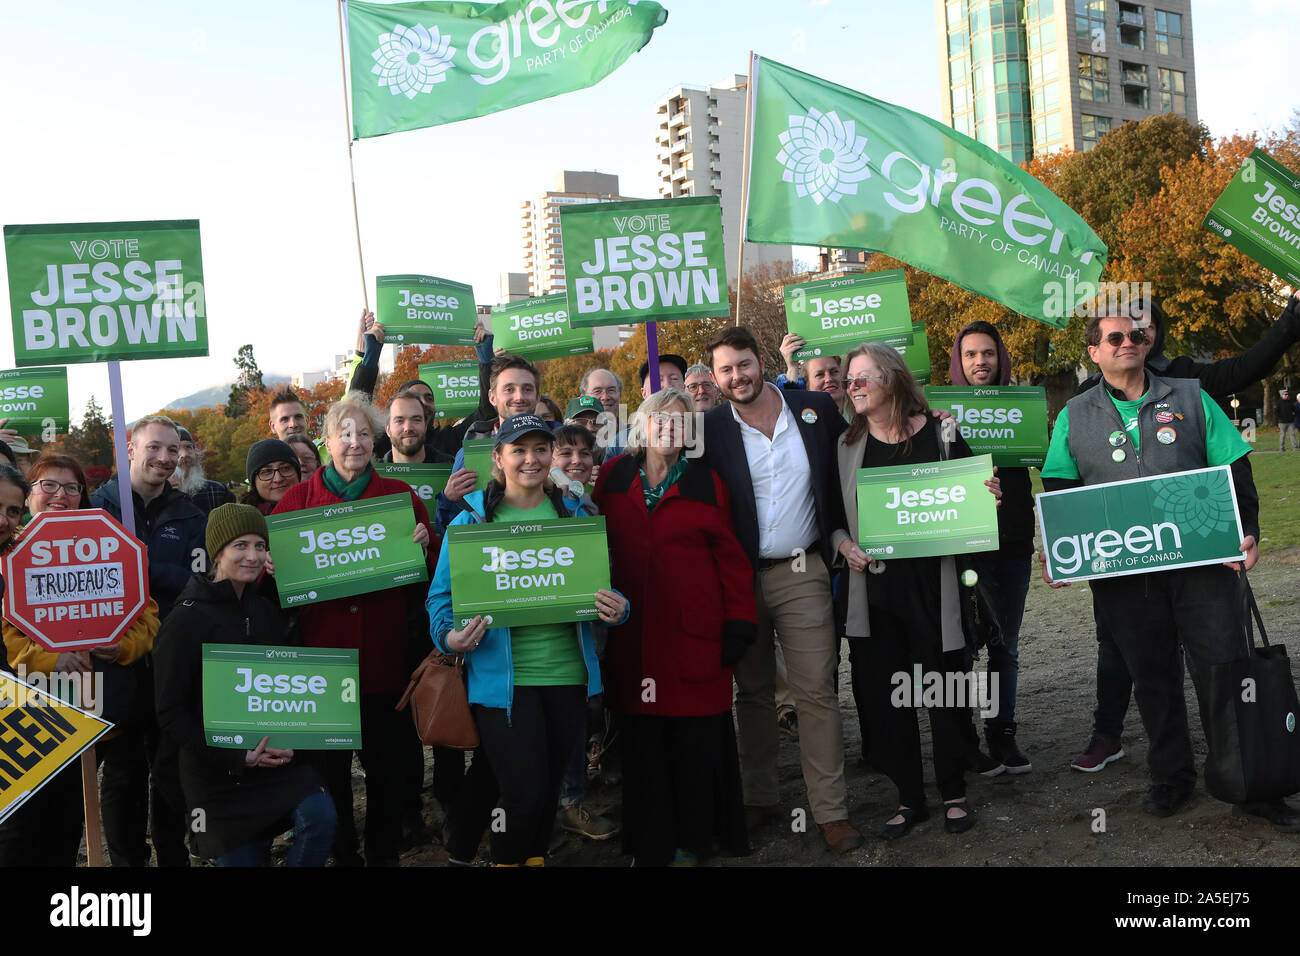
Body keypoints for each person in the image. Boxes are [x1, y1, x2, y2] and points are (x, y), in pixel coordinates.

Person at [1039, 312, 1289, 826]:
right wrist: (1063, 548)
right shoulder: (1073, 414)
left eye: (1136, 334)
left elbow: (1234, 466)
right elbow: (1060, 489)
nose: (1129, 342)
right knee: (1152, 678)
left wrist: (1249, 531)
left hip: (1202, 564)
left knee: (1225, 671)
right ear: (1094, 352)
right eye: (1115, 337)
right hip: (1125, 572)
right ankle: (1171, 776)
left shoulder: (1192, 396)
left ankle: (1252, 783)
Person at [427, 414, 629, 866]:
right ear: (498, 458)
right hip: (501, 686)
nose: (531, 459)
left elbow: (605, 586)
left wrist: (619, 607)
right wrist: (450, 637)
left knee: (547, 791)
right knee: (523, 792)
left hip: (568, 677)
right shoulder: (472, 519)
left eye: (540, 449)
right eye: (518, 450)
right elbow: (439, 599)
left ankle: (533, 858)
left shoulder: (574, 513)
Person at [701, 325, 863, 854]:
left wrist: (935, 423)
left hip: (804, 570)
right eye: (725, 369)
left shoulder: (813, 409)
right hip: (739, 577)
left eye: (743, 364)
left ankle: (831, 811)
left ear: (761, 360)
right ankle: (759, 797)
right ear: (715, 376)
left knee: (816, 690)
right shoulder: (709, 429)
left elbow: (861, 455)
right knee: (750, 692)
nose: (736, 376)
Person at [833, 344, 1001, 838]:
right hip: (876, 595)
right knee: (889, 702)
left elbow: (980, 498)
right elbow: (830, 517)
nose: (854, 387)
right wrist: (844, 545)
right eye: (849, 381)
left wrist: (992, 494)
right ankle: (909, 799)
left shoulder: (943, 431)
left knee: (945, 693)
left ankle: (953, 794)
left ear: (892, 378)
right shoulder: (846, 445)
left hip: (936, 589)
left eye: (863, 377)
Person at [595, 387, 756, 865]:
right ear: (640, 425)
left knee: (694, 745)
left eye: (679, 421)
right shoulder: (612, 475)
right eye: (659, 419)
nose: (668, 428)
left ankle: (693, 841)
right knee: (644, 747)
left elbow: (732, 560)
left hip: (695, 639)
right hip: (634, 637)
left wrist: (739, 621)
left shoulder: (708, 483)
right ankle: (650, 842)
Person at [272, 393, 432, 865]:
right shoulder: (297, 502)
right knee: (329, 777)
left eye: (363, 433)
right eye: (344, 434)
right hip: (323, 668)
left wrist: (426, 545)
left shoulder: (399, 498)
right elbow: (270, 575)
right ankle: (343, 856)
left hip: (385, 665)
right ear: (325, 442)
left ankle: (384, 854)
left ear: (375, 440)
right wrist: (276, 569)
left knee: (389, 775)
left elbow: (429, 576)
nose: (354, 442)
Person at [153, 503, 336, 866]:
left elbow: (288, 688)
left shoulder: (264, 611)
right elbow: (170, 713)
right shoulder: (184, 620)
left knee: (321, 817)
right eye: (240, 545)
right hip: (217, 777)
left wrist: (291, 742)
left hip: (274, 764)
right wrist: (237, 756)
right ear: (217, 551)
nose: (252, 556)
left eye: (259, 546)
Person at [0, 456, 162, 866]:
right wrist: (52, 659)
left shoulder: (105, 543)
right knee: (27, 826)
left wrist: (122, 647)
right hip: (34, 716)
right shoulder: (10, 550)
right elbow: (8, 640)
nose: (61, 495)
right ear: (30, 491)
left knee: (78, 818)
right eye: (49, 485)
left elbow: (146, 614)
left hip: (107, 710)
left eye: (72, 488)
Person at [92, 414, 206, 867]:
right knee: (121, 772)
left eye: (172, 450)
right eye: (154, 447)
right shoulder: (97, 508)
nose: (164, 457)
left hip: (169, 660)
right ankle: (126, 861)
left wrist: (142, 568)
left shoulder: (189, 513)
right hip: (113, 659)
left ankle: (172, 854)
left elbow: (198, 582)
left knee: (169, 768)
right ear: (130, 449)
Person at [948, 321, 1032, 774]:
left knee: (1007, 645)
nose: (980, 361)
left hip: (1014, 543)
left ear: (1000, 359)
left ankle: (1001, 733)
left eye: (988, 354)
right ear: (958, 361)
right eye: (971, 354)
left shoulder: (1023, 407)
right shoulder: (939, 413)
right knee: (962, 645)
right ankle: (964, 741)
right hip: (965, 545)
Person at [435, 354, 542, 535]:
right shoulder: (469, 454)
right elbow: (450, 532)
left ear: (538, 396)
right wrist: (448, 500)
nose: (519, 397)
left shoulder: (559, 449)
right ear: (492, 397)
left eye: (527, 389)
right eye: (509, 389)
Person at [778, 333, 849, 417]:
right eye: (819, 375)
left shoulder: (862, 418)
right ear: (807, 384)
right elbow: (792, 405)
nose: (828, 379)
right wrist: (792, 367)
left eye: (834, 372)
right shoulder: (805, 424)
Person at [171, 426, 235, 514]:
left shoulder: (219, 492)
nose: (185, 454)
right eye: (176, 449)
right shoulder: (153, 496)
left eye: (188, 447)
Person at [385, 389, 453, 465]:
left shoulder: (453, 468)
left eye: (416, 420)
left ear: (425, 426)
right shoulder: (373, 473)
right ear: (388, 429)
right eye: (399, 421)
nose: (408, 428)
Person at [240, 439, 302, 515]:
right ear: (254, 482)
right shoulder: (242, 522)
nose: (278, 479)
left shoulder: (318, 507)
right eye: (267, 471)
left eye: (285, 468)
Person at [581, 367, 627, 458]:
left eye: (611, 390)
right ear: (583, 397)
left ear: (620, 395)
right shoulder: (572, 437)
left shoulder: (632, 436)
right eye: (597, 391)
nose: (605, 397)